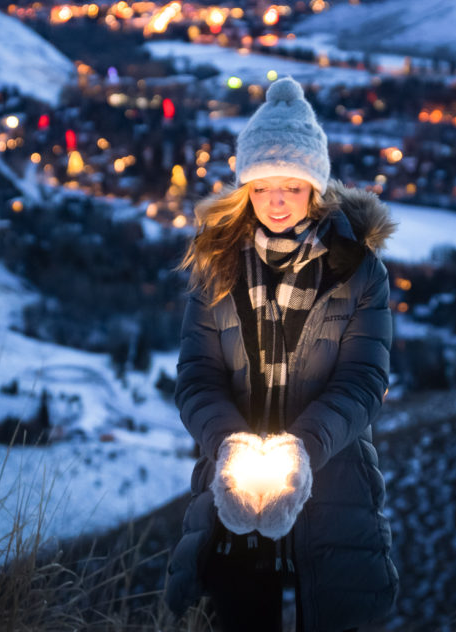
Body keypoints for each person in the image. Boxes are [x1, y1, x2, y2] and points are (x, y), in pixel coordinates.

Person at [164, 76, 399, 632]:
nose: (275, 201)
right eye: (263, 185)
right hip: (233, 486)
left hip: (333, 480)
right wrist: (226, 443)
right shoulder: (216, 266)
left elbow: (364, 380)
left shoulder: (358, 271)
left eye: (291, 187)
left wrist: (304, 447)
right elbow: (196, 375)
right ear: (244, 187)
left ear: (314, 188)